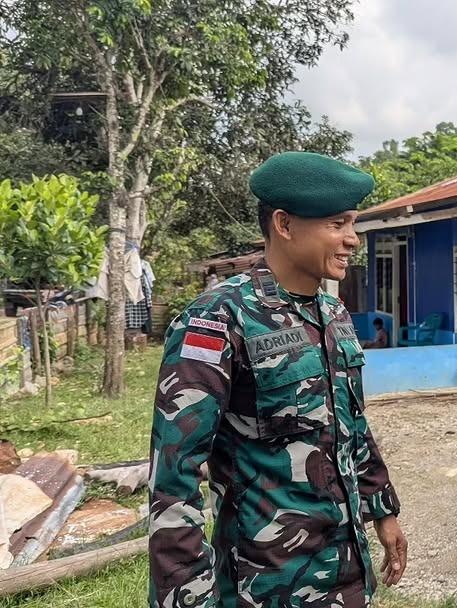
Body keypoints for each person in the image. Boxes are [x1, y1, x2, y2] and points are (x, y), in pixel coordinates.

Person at [148, 151, 407, 608]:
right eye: (337, 224)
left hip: (346, 575)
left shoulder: (334, 313)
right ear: (284, 225)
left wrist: (383, 511)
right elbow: (175, 473)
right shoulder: (218, 319)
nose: (353, 239)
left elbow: (351, 425)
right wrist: (185, 597)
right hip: (264, 584)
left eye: (353, 223)